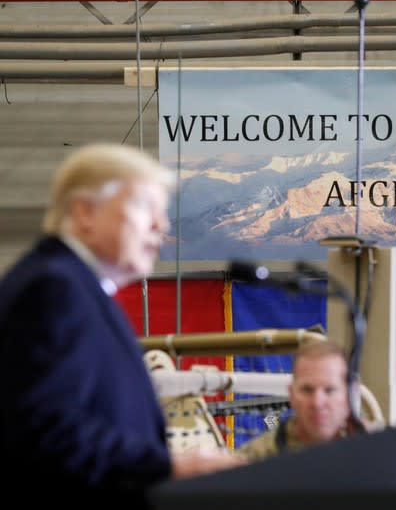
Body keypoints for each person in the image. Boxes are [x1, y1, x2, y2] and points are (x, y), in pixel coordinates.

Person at [0, 143, 244, 508]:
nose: (161, 225)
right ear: (85, 212)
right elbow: (44, 426)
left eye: (163, 212)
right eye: (146, 207)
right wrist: (167, 466)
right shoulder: (54, 289)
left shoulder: (79, 288)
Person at [238, 340, 360, 460]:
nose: (317, 403)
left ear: (350, 394)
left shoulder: (373, 452)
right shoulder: (254, 458)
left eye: (329, 390)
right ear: (291, 394)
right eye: (307, 390)